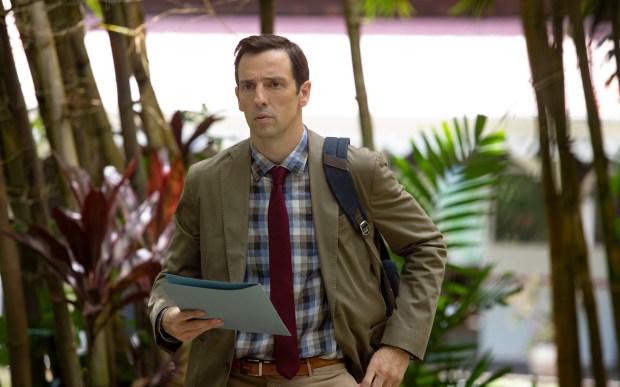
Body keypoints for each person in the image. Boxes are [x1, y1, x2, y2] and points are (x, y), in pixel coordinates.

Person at [148, 34, 447, 387]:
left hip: (327, 372)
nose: (260, 98)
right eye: (248, 86)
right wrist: (166, 316)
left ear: (303, 92)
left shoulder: (356, 170)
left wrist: (400, 345)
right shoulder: (208, 180)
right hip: (231, 375)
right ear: (238, 97)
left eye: (274, 84)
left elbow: (427, 247)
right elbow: (171, 277)